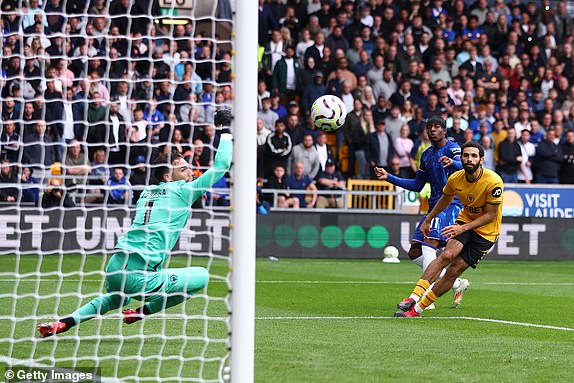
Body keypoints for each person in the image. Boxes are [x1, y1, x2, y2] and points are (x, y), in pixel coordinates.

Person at [37, 110, 234, 337]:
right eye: (183, 169)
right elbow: (222, 166)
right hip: (140, 274)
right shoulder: (184, 192)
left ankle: (65, 322)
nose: (190, 171)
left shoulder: (146, 192)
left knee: (116, 298)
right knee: (201, 276)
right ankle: (143, 312)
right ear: (168, 177)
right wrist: (225, 128)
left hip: (116, 267)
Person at [395, 141, 504, 317]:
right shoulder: (455, 178)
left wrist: (463, 229)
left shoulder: (493, 181)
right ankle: (413, 298)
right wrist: (428, 219)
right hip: (466, 219)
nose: (469, 159)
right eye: (466, 155)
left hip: (487, 232)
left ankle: (418, 309)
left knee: (455, 270)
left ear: (481, 159)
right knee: (446, 255)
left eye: (473, 156)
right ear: (461, 158)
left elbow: (491, 215)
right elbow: (445, 199)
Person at [375, 116, 469, 308]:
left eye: (436, 127)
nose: (432, 130)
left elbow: (466, 166)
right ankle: (456, 283)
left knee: (429, 245)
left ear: (444, 130)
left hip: (452, 204)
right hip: (434, 206)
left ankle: (425, 295)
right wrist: (389, 177)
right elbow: (418, 185)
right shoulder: (426, 155)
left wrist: (452, 162)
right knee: (415, 251)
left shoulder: (453, 148)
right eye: (429, 127)